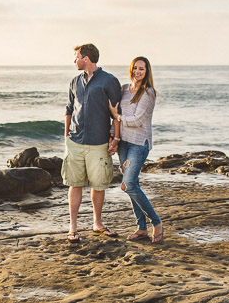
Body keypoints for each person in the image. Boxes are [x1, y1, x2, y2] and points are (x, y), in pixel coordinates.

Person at [63, 43, 122, 243]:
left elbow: (116, 113)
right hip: (76, 141)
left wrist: (116, 138)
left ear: (86, 58)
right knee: (75, 183)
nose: (74, 60)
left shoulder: (109, 81)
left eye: (76, 56)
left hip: (99, 142)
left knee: (98, 184)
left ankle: (97, 223)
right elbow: (69, 109)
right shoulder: (74, 82)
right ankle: (73, 227)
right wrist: (66, 136)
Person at [108, 56, 163, 244]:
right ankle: (141, 228)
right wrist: (112, 136)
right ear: (131, 69)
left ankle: (156, 222)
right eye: (136, 68)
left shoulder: (148, 93)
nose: (138, 72)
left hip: (139, 144)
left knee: (129, 184)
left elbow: (138, 120)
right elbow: (115, 115)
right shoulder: (124, 89)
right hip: (123, 143)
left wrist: (119, 117)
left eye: (142, 69)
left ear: (147, 72)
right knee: (133, 185)